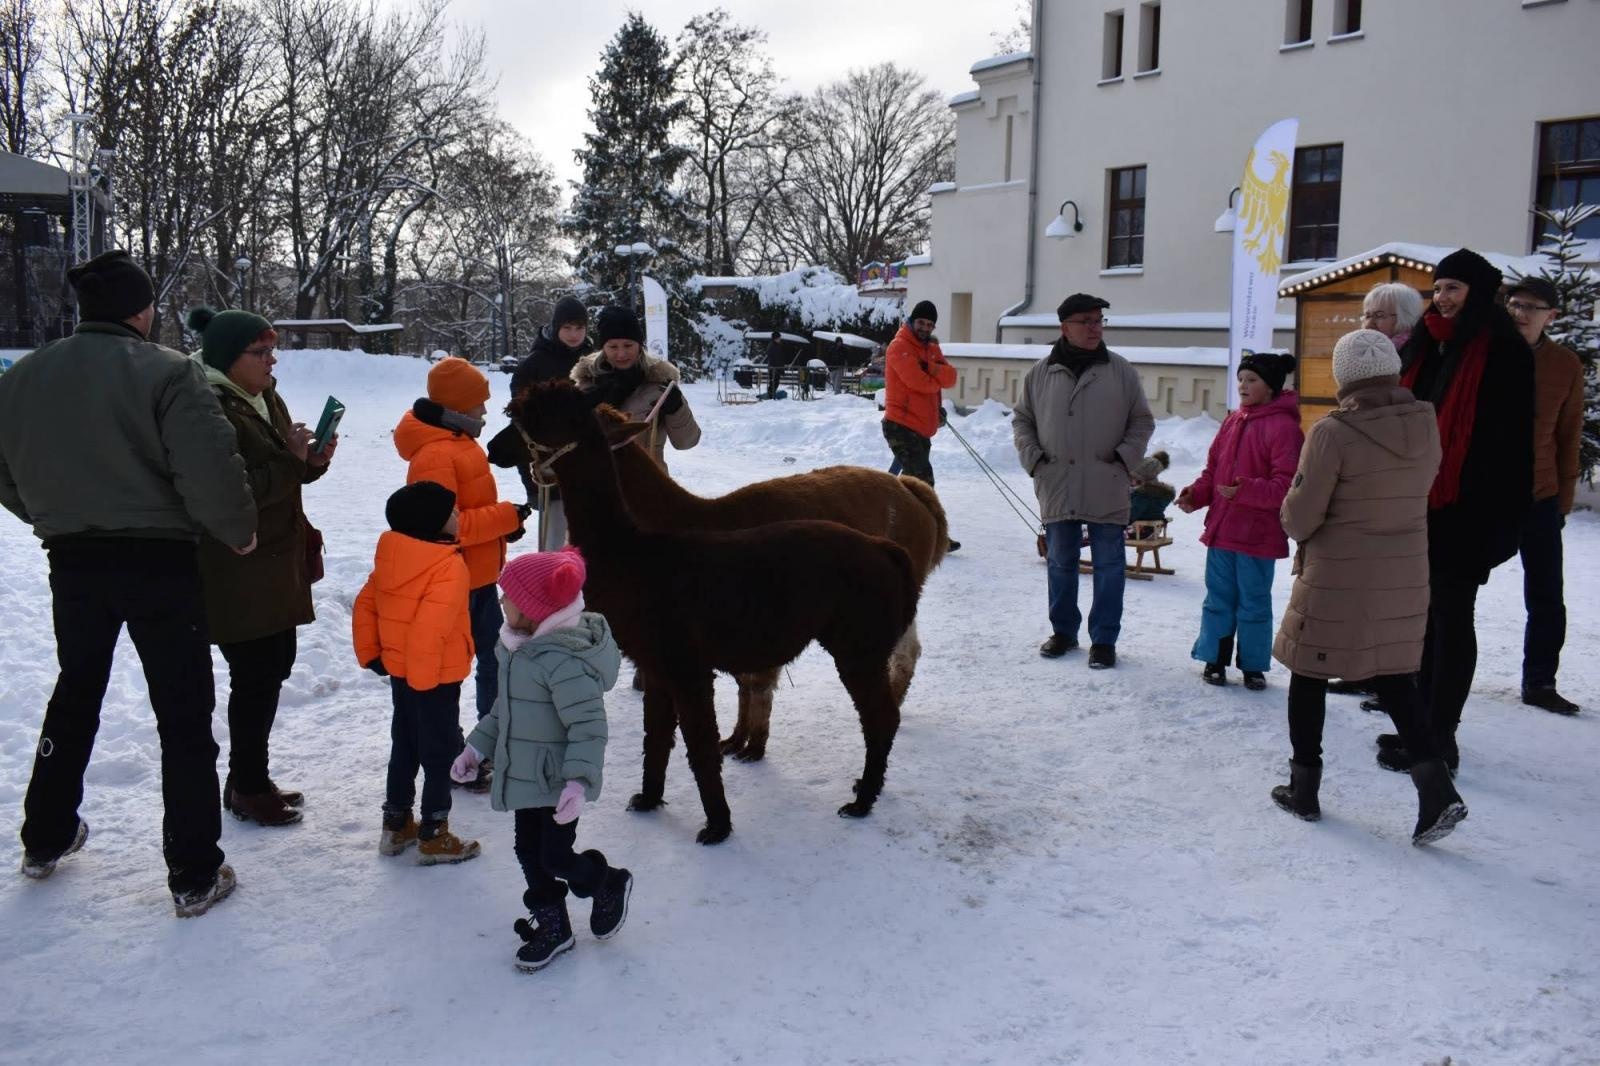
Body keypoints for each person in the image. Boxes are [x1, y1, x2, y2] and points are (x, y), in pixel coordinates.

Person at [0, 250, 256, 917]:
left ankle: (45, 836)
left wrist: (51, 513)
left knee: (75, 690)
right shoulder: (167, 372)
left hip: (73, 557)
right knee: (182, 713)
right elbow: (207, 461)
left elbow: (6, 469)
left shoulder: (23, 376)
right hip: (159, 560)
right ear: (141, 311)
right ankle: (194, 870)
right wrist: (236, 528)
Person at [1269, 329, 1467, 845]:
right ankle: (1436, 790)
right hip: (1402, 572)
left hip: (1339, 573)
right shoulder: (1425, 422)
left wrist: (1289, 507)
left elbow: (1301, 516)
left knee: (1309, 671)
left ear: (1344, 377)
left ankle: (1303, 788)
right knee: (1397, 676)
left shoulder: (1335, 431)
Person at [1374, 250, 1534, 774]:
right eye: (1438, 288)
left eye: (1453, 289)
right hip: (1416, 499)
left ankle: (1442, 736)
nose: (1441, 298)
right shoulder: (1428, 343)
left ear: (1478, 294)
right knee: (1420, 618)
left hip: (1469, 507)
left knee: (1450, 614)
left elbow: (1511, 442)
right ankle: (1420, 726)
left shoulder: (1504, 351)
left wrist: (1499, 515)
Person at [449, 548, 634, 973]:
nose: (500, 603)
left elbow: (588, 728)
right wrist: (476, 748)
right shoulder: (517, 649)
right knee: (527, 851)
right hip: (524, 777)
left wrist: (578, 783)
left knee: (554, 856)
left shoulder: (563, 663)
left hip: (557, 782)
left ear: (534, 609)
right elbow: (503, 713)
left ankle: (606, 882)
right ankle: (555, 926)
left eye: (507, 597)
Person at [189, 306, 336, 828]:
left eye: (273, 349)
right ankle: (247, 786)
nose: (273, 360)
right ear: (230, 358)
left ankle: (250, 777)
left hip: (276, 559)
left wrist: (310, 461)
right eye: (262, 351)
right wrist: (292, 460)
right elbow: (232, 491)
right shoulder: (207, 403)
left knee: (272, 666)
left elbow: (285, 476)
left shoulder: (262, 394)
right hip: (240, 564)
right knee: (255, 673)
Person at [395, 356, 527, 784]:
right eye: (479, 404)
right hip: (455, 584)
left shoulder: (459, 440)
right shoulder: (435, 454)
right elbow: (442, 528)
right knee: (453, 671)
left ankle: (485, 744)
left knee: (495, 660)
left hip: (480, 577)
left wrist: (505, 531)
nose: (485, 412)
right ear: (459, 405)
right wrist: (506, 518)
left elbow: (468, 513)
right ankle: (459, 754)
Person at [1013, 293, 1155, 669]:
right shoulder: (1040, 374)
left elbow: (1142, 420)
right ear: (1065, 327)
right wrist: (1035, 459)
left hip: (1105, 481)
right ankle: (1063, 632)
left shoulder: (1121, 370)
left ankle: (1104, 639)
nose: (1095, 328)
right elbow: (1022, 420)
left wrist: (1123, 459)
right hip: (1057, 480)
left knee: (1109, 564)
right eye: (1086, 321)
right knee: (1060, 561)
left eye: (1099, 321)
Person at [354, 481, 482, 865]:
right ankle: (434, 833)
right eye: (452, 512)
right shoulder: (448, 567)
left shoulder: (393, 557)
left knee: (405, 744)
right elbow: (431, 628)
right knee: (439, 751)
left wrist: (373, 654)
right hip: (434, 678)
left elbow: (366, 607)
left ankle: (396, 825)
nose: (459, 517)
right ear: (433, 524)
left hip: (401, 673)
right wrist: (424, 681)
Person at [1177, 352, 1303, 690]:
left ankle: (1252, 665)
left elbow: (1286, 486)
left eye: (1252, 380)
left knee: (1254, 604)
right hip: (1221, 532)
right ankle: (1214, 659)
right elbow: (1213, 472)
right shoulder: (1233, 421)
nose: (1243, 386)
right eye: (1241, 379)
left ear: (1272, 387)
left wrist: (1244, 491)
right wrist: (1197, 494)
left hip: (1257, 537)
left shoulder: (1285, 428)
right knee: (1217, 599)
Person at [1327, 281, 1428, 699]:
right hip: (1365, 477)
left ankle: (1392, 679)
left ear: (1402, 320)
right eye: (1367, 314)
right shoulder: (1361, 355)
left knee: (1388, 590)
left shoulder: (1411, 358)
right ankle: (1365, 672)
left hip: (1393, 482)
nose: (1370, 322)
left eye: (1380, 315)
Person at [1505, 276, 1583, 715]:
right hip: (1487, 495)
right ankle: (1422, 675)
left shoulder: (1565, 365)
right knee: (1450, 591)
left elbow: (1568, 435)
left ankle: (1539, 681)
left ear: (1551, 316)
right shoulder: (1489, 355)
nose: (1520, 313)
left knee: (1547, 595)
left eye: (1531, 307)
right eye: (1515, 304)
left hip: (1540, 496)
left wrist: (1562, 501)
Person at [573, 305, 700, 471]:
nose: (621, 354)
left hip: (646, 484)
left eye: (628, 345)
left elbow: (686, 442)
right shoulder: (587, 384)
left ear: (639, 345)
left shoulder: (660, 385)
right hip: (597, 484)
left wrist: (676, 409)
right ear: (603, 348)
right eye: (613, 346)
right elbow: (569, 444)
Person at [508, 297, 590, 550]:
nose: (574, 334)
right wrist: (530, 483)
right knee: (554, 553)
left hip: (590, 474)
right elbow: (522, 429)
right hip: (551, 476)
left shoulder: (595, 361)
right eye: (567, 328)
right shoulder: (533, 366)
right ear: (555, 327)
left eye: (579, 328)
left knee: (590, 551)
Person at [883, 299, 961, 552]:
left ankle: (893, 525)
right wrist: (935, 376)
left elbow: (951, 377)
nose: (925, 328)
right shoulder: (899, 347)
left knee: (908, 483)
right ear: (911, 321)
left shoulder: (931, 349)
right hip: (900, 424)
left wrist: (929, 368)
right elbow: (917, 382)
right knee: (923, 483)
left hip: (921, 427)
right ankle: (935, 538)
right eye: (921, 322)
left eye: (930, 324)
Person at [1128, 450, 1175, 524]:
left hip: (1139, 529)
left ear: (1148, 480)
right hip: (1151, 528)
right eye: (1130, 478)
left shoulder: (1143, 495)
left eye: (1138, 480)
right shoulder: (1158, 494)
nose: (1132, 482)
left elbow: (1131, 514)